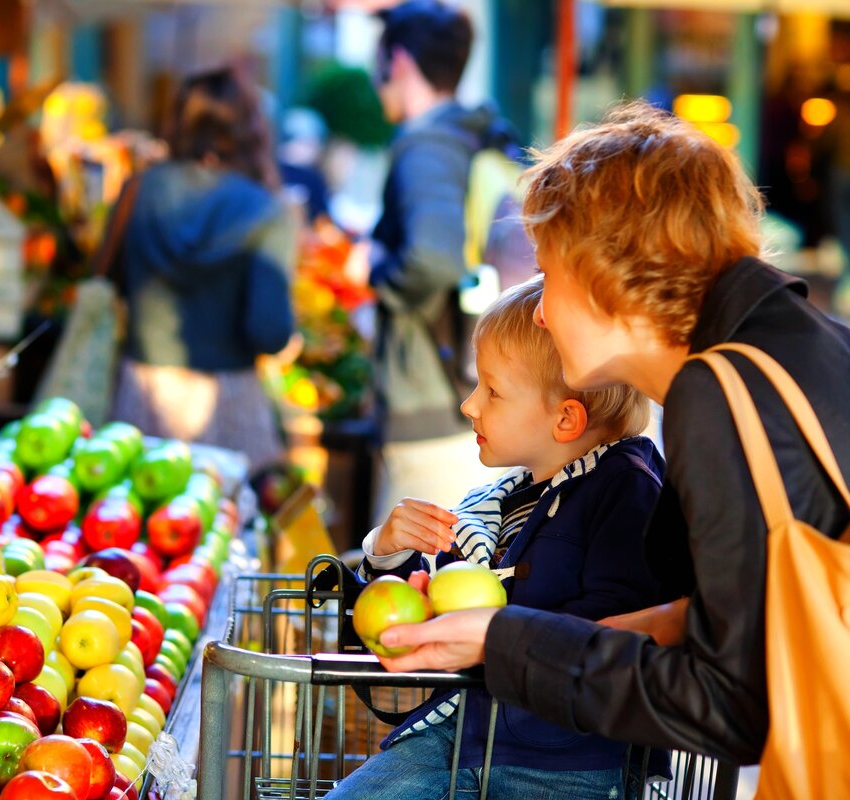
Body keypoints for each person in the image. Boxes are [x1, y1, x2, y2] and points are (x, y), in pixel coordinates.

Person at [375, 101, 850, 768]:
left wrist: (503, 640)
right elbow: (751, 612)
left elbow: (726, 702)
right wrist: (530, 637)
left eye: (549, 273)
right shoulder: (795, 339)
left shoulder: (720, 393)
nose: (539, 313)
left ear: (610, 274)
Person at [332, 278, 666, 799]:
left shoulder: (625, 491)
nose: (469, 405)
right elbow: (424, 607)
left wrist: (501, 632)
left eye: (491, 390)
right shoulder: (500, 500)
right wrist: (389, 552)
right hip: (454, 737)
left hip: (566, 765)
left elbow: (620, 626)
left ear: (565, 418)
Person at [109, 66, 296, 474]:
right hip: (227, 401)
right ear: (250, 128)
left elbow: (114, 280)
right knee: (225, 525)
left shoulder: (140, 189)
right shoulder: (263, 209)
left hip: (142, 393)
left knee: (132, 520)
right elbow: (270, 330)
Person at [357, 0, 501, 518]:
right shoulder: (468, 135)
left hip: (431, 407)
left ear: (397, 63)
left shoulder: (426, 146)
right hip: (455, 397)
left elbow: (431, 259)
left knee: (403, 581)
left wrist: (376, 272)